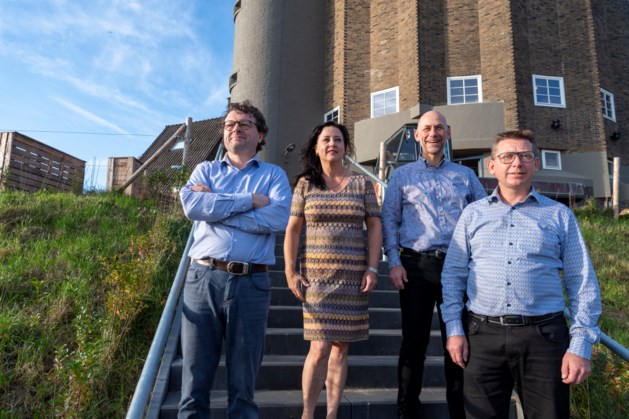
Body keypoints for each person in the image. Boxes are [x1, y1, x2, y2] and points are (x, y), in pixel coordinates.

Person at [441, 130, 602, 419]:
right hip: (482, 337)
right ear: (492, 166)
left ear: (536, 164)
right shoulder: (473, 214)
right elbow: (453, 276)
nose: (517, 163)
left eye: (525, 155)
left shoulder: (559, 215)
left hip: (544, 338)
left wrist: (580, 346)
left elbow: (582, 281)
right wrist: (454, 330)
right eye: (507, 156)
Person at [178, 100, 292, 418]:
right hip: (203, 279)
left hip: (252, 282)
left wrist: (217, 209)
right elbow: (192, 207)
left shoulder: (274, 176)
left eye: (243, 123)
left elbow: (278, 218)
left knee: (243, 386)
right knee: (193, 382)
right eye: (229, 124)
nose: (234, 128)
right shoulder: (205, 170)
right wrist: (249, 201)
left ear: (261, 135)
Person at [381, 110, 486, 419]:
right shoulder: (401, 175)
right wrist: (394, 262)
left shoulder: (465, 176)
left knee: (459, 342)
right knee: (414, 344)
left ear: (448, 133)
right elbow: (389, 219)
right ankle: (407, 409)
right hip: (416, 266)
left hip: (459, 268)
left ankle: (459, 411)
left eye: (439, 127)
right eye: (426, 128)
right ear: (417, 135)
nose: (433, 133)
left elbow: (483, 215)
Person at [284, 121, 382, 419]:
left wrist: (373, 268)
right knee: (319, 349)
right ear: (316, 147)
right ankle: (308, 413)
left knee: (341, 348)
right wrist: (290, 271)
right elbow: (293, 229)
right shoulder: (305, 184)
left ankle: (332, 414)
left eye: (337, 139)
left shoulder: (362, 183)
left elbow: (375, 225)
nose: (332, 144)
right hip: (316, 280)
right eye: (325, 139)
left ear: (345, 146)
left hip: (352, 278)